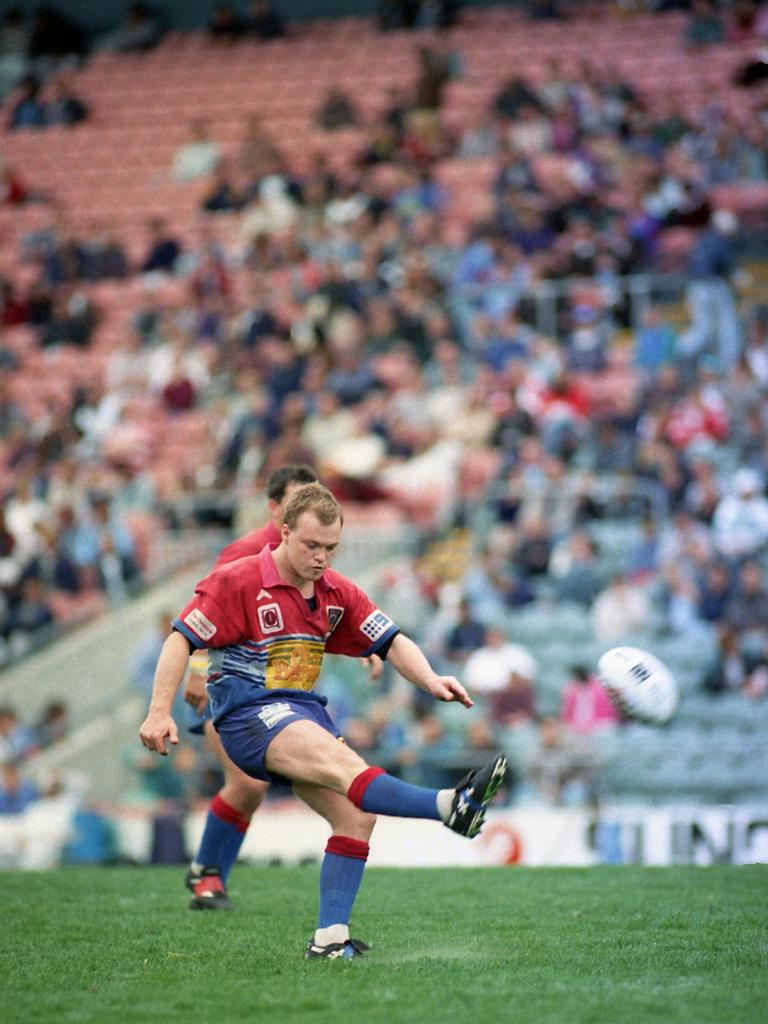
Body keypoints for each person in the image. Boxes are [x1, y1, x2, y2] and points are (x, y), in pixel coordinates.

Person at [140, 484, 507, 959]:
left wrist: (431, 678)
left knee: (356, 816)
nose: (321, 557)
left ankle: (330, 940)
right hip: (248, 716)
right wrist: (158, 709)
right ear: (284, 531)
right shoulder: (238, 578)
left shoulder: (337, 591)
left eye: (331, 548)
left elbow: (391, 639)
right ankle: (448, 806)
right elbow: (180, 639)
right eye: (311, 546)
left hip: (300, 711)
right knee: (337, 763)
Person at [180, 463, 319, 910]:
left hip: (275, 693)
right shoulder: (245, 551)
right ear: (274, 506)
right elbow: (203, 612)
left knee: (251, 785)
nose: (305, 512)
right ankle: (207, 875)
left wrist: (372, 652)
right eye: (296, 503)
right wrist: (198, 667)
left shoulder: (306, 558)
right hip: (228, 686)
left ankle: (212, 877)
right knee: (247, 783)